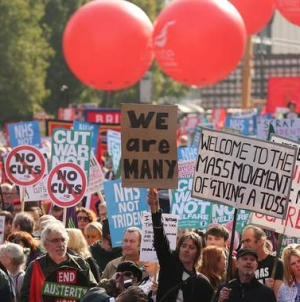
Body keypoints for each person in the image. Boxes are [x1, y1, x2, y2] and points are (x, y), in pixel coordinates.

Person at [147, 189, 214, 302]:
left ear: (197, 253)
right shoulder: (169, 264)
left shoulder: (203, 284)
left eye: (191, 247)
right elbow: (160, 239)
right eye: (184, 246)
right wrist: (155, 209)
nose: (186, 250)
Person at [20, 222, 97, 302]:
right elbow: (25, 296)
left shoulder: (80, 264)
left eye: (63, 240)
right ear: (45, 244)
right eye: (55, 240)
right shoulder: (36, 266)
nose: (60, 244)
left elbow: (94, 291)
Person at [241, 225, 283, 298]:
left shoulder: (276, 263)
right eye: (243, 242)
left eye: (248, 240)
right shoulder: (243, 265)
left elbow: (277, 297)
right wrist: (263, 289)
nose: (244, 245)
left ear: (260, 241)